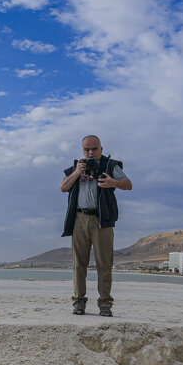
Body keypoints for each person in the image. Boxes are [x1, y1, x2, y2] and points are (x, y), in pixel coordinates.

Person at [60, 134, 132, 316]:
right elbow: (63, 187)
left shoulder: (110, 165)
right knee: (79, 264)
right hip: (80, 219)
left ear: (101, 149)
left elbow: (128, 184)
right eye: (87, 149)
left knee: (104, 263)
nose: (91, 153)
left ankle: (105, 304)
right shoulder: (77, 167)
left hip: (102, 219)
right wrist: (77, 172)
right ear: (82, 150)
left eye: (94, 149)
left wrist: (112, 182)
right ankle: (79, 302)